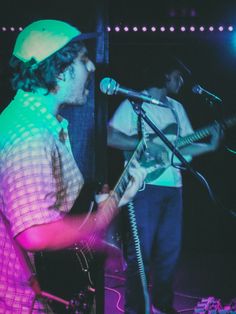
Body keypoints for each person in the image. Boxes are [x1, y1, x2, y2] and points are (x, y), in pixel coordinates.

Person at [0, 19, 147, 313]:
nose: (92, 68)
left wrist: (110, 200)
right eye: (83, 60)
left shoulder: (41, 123)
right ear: (59, 72)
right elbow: (36, 234)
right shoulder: (30, 136)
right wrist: (100, 221)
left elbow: (54, 208)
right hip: (28, 303)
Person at [107, 55, 222, 314]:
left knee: (170, 252)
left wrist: (210, 145)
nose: (181, 81)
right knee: (141, 253)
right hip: (145, 187)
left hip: (174, 188)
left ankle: (163, 305)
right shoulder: (135, 103)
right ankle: (136, 308)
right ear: (164, 76)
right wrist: (144, 144)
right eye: (177, 76)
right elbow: (111, 135)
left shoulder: (176, 108)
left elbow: (181, 145)